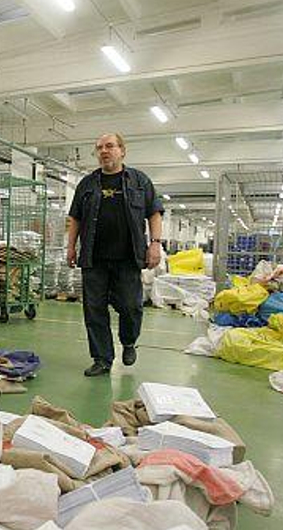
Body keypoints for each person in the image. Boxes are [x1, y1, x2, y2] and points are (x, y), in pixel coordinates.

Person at [67, 133, 163, 377]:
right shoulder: (87, 184)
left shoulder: (139, 181)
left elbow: (154, 213)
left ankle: (129, 342)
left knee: (131, 307)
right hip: (94, 258)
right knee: (94, 309)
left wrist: (155, 244)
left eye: (109, 146)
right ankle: (102, 359)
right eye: (99, 148)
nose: (104, 151)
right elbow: (75, 218)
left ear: (122, 150)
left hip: (128, 258)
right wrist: (70, 247)